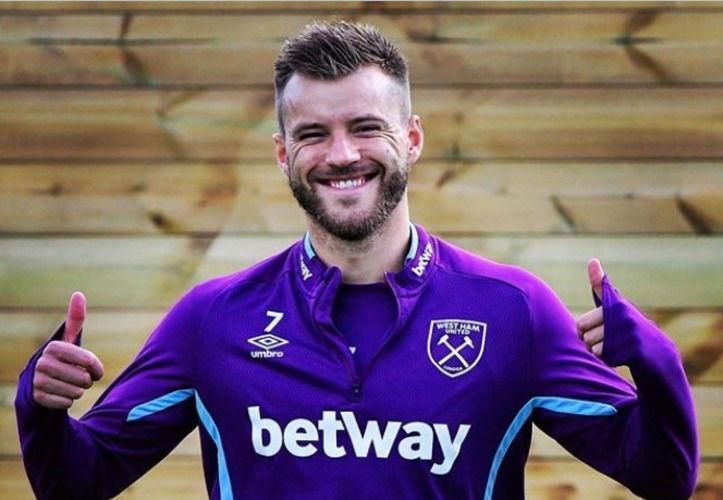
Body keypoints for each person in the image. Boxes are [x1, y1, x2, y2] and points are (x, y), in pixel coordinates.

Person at [16, 21, 698, 500]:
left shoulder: (512, 311)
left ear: (412, 138)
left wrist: (656, 361)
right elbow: (78, 481)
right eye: (313, 133)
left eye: (366, 127)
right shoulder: (213, 319)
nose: (341, 154)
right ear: (283, 153)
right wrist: (41, 409)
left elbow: (662, 477)